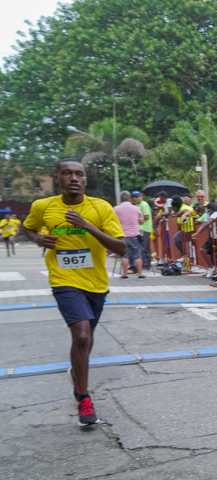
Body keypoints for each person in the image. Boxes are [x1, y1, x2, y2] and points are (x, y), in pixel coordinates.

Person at [22, 159, 126, 426]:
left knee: (87, 339)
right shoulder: (43, 206)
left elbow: (121, 248)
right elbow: (29, 227)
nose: (73, 178)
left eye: (79, 174)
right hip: (64, 279)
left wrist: (88, 226)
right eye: (67, 173)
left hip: (96, 283)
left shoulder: (100, 208)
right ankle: (83, 397)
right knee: (80, 336)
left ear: (85, 180)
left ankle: (76, 373)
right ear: (58, 178)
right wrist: (37, 239)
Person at [114, 191, 145, 280]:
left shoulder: (116, 209)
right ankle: (140, 274)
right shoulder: (136, 208)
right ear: (130, 199)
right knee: (137, 255)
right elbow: (141, 221)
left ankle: (124, 275)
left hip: (122, 235)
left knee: (124, 255)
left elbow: (113, 221)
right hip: (135, 234)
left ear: (120, 200)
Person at [196, 203, 217, 281]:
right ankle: (212, 268)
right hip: (213, 237)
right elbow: (205, 224)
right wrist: (198, 233)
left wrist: (198, 233)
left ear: (211, 210)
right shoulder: (209, 215)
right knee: (203, 250)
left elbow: (208, 223)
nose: (207, 211)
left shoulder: (215, 214)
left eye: (208, 209)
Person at [131, 191, 153, 267]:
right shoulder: (139, 205)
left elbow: (147, 216)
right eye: (134, 197)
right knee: (143, 247)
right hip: (142, 228)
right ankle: (144, 263)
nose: (135, 198)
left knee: (144, 247)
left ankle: (146, 264)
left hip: (145, 228)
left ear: (141, 197)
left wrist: (136, 219)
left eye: (137, 197)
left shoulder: (143, 204)